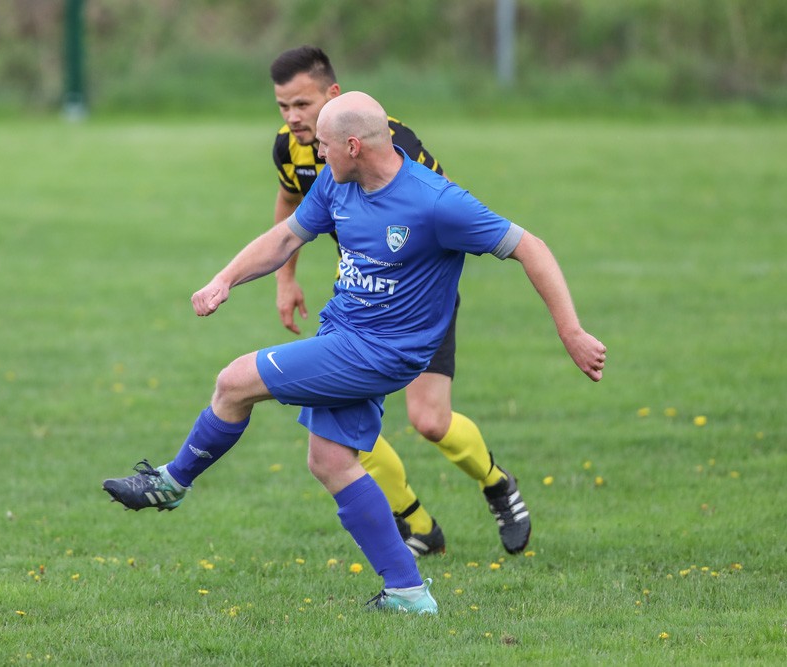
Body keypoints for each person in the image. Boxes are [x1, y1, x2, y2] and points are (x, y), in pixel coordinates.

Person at [103, 91, 607, 615]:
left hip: (379, 352)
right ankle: (409, 593)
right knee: (330, 461)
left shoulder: (436, 202)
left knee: (234, 382)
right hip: (342, 334)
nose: (317, 154)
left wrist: (570, 331)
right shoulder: (337, 183)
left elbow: (529, 246)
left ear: (353, 146)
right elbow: (285, 239)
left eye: (324, 145)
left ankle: (172, 481)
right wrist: (224, 279)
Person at [269, 46, 529, 557]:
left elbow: (442, 204)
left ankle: (497, 484)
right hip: (358, 306)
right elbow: (290, 202)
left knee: (430, 421)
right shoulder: (291, 148)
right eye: (283, 106)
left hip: (418, 303)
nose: (293, 118)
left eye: (302, 104)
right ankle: (417, 524)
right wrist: (286, 278)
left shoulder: (392, 143)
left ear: (334, 96)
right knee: (336, 424)